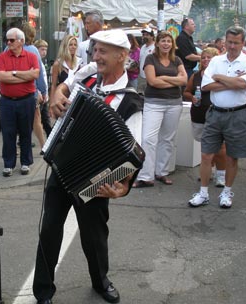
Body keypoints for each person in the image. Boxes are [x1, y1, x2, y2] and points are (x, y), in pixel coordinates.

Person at [33, 29, 143, 304]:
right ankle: (43, 291)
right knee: (49, 229)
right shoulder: (87, 74)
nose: (96, 56)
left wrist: (123, 186)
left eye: (103, 51)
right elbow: (63, 86)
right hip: (62, 167)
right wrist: (58, 94)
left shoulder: (130, 101)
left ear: (122, 56)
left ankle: (100, 281)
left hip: (94, 180)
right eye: (95, 49)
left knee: (94, 237)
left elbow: (134, 153)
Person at [188, 26, 246, 209]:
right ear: (224, 42)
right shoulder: (216, 60)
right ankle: (203, 193)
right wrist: (231, 82)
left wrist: (218, 79)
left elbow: (243, 84)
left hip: (238, 114)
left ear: (243, 43)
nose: (232, 46)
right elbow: (205, 86)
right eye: (229, 42)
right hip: (215, 113)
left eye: (236, 43)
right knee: (206, 154)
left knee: (232, 157)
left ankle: (226, 192)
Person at [133, 31, 187, 188]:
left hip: (174, 103)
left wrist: (163, 78)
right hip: (154, 103)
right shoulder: (150, 58)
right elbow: (152, 81)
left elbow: (184, 80)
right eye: (163, 41)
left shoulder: (177, 60)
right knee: (148, 139)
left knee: (167, 139)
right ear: (157, 43)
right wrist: (174, 81)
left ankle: (161, 172)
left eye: (169, 41)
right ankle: (145, 175)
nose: (166, 44)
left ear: (172, 44)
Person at [0, 28, 39, 177]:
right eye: (7, 40)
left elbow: (35, 74)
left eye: (11, 40)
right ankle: (8, 164)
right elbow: (1, 76)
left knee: (26, 132)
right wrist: (23, 76)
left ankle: (26, 163)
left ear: (21, 41)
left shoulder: (31, 56)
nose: (8, 43)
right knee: (8, 133)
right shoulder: (2, 57)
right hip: (7, 101)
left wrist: (13, 73)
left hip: (26, 100)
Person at [183, 47, 227, 187]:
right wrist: (192, 98)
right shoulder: (195, 76)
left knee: (220, 147)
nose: (206, 60)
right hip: (199, 115)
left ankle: (221, 175)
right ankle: (209, 171)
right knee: (205, 148)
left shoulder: (220, 75)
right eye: (203, 57)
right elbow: (186, 92)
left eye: (209, 57)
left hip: (217, 115)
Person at [20, 23, 48, 151]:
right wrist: (43, 90)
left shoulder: (8, 49)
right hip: (31, 89)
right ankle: (43, 146)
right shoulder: (33, 50)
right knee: (37, 118)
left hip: (14, 91)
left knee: (17, 120)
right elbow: (39, 73)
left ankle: (20, 146)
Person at [50, 34, 82, 100]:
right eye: (70, 45)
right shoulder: (58, 64)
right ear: (65, 46)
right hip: (61, 98)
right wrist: (51, 102)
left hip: (76, 99)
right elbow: (53, 85)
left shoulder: (79, 63)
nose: (73, 47)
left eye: (75, 45)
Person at [34, 39, 52, 138]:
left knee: (45, 119)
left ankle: (50, 139)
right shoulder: (37, 62)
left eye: (45, 50)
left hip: (44, 96)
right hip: (39, 95)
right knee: (42, 119)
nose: (44, 52)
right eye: (42, 49)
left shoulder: (42, 62)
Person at [137, 27, 155, 94]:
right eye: (143, 35)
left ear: (152, 36)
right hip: (141, 76)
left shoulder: (155, 47)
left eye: (147, 35)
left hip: (150, 77)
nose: (144, 36)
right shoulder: (143, 47)